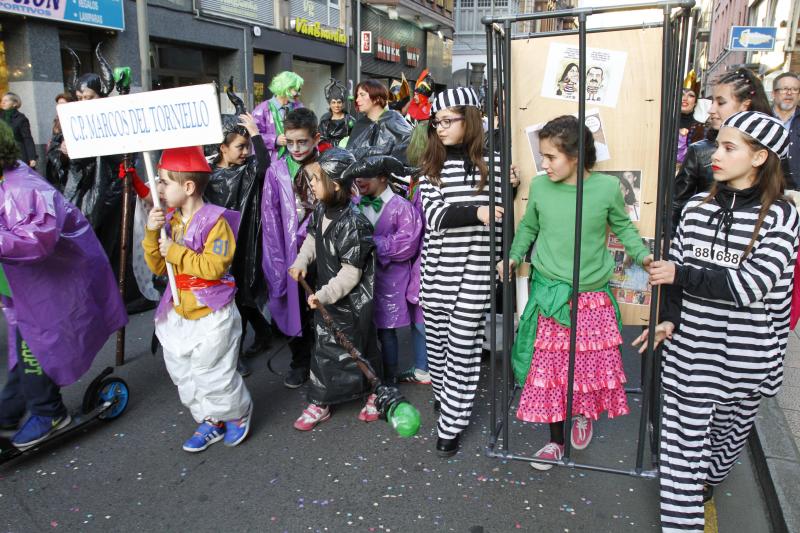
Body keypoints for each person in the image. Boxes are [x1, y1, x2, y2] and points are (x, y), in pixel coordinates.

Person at [633, 111, 797, 532]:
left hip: (746, 356)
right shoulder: (694, 209)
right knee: (681, 453)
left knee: (726, 441)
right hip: (691, 350)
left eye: (728, 147)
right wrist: (668, 319)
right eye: (716, 144)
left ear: (759, 156)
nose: (714, 155)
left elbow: (750, 286)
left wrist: (681, 274)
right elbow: (674, 275)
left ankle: (708, 478)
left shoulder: (782, 216)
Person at [498, 115, 652, 468]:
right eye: (543, 156)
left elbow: (624, 228)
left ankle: (582, 414)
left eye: (551, 157)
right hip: (550, 295)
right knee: (550, 371)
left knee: (585, 368)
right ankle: (554, 441)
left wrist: (644, 257)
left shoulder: (607, 189)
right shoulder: (540, 187)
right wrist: (513, 256)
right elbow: (528, 228)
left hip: (592, 295)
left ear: (576, 155)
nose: (544, 164)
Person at [0, 121, 127, 448]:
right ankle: (9, 410)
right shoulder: (6, 181)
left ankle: (50, 413)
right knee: (23, 347)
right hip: (24, 287)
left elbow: (38, 240)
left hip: (46, 285)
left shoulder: (22, 188)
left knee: (34, 347)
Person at [143, 145, 253, 453]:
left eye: (165, 182)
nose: (159, 188)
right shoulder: (171, 221)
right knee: (184, 371)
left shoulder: (216, 222)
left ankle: (236, 413)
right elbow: (158, 267)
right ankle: (210, 418)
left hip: (211, 311)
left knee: (213, 371)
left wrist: (176, 252)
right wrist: (152, 234)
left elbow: (214, 268)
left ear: (188, 187)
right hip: (179, 310)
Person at [417, 87, 506, 457]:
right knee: (438, 347)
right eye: (436, 122)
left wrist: (503, 255)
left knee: (462, 349)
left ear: (469, 119)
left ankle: (450, 425)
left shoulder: (497, 165)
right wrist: (477, 212)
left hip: (476, 271)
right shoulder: (430, 169)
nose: (440, 128)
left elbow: (505, 217)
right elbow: (435, 217)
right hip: (437, 272)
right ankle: (445, 397)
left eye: (447, 120)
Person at [288, 148, 381, 431]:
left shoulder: (354, 223)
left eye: (317, 179)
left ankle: (375, 391)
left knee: (359, 347)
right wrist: (301, 262)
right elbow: (311, 239)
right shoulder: (320, 210)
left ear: (336, 184)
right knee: (324, 349)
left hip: (351, 303)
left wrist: (324, 295)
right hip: (325, 295)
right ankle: (321, 399)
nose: (312, 185)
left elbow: (352, 273)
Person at [205, 94, 272, 375]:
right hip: (219, 244)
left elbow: (265, 166)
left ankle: (236, 353)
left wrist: (256, 135)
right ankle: (263, 333)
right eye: (239, 147)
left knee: (241, 295)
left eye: (247, 146)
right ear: (223, 147)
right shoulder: (207, 174)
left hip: (245, 242)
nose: (245, 152)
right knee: (233, 296)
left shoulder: (248, 170)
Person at [262, 107, 322, 389]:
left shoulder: (328, 165)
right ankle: (300, 361)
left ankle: (325, 360)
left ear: (316, 138)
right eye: (291, 142)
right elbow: (270, 218)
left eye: (303, 142)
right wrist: (277, 261)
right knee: (295, 306)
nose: (296, 148)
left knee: (322, 307)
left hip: (323, 253)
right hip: (290, 254)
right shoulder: (276, 171)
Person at [350, 155, 423, 384]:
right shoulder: (357, 204)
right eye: (357, 175)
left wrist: (372, 243)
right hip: (363, 277)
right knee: (366, 327)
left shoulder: (402, 207)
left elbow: (408, 243)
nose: (359, 180)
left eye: (366, 175)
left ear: (383, 177)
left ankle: (389, 377)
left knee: (386, 329)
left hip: (391, 279)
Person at [673, 67, 772, 231]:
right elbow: (677, 206)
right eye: (712, 101)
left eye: (721, 102)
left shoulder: (772, 151)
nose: (711, 109)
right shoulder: (700, 151)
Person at [346, 79, 413, 163]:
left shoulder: (393, 119)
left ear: (377, 98)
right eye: (357, 95)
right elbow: (349, 155)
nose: (357, 99)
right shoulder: (360, 125)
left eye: (362, 95)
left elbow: (410, 146)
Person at [253, 71, 304, 164]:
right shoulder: (262, 109)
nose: (299, 93)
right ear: (285, 88)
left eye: (299, 89)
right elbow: (254, 137)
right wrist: (275, 140)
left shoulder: (299, 107)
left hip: (297, 161)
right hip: (272, 164)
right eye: (296, 89)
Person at [771, 72, 799, 188]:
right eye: (784, 89)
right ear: (773, 94)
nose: (789, 93)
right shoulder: (761, 119)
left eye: (795, 89)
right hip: (765, 188)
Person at [676, 70, 705, 166]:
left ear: (695, 102)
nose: (685, 99)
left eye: (690, 95)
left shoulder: (700, 127)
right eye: (682, 94)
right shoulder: (666, 122)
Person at [0, 92, 36, 169]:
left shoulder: (21, 118)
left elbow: (27, 138)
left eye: (6, 100)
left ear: (15, 103)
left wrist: (32, 158)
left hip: (18, 156)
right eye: (2, 100)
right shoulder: (1, 117)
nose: (3, 102)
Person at [45, 93, 73, 190]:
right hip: (55, 159)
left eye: (62, 103)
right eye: (58, 104)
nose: (59, 106)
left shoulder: (71, 118)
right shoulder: (57, 120)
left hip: (66, 160)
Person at [318, 78, 355, 150]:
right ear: (330, 104)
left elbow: (355, 139)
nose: (336, 105)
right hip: (328, 152)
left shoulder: (350, 120)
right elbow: (321, 138)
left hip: (345, 152)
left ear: (342, 103)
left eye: (339, 102)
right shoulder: (325, 120)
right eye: (333, 102)